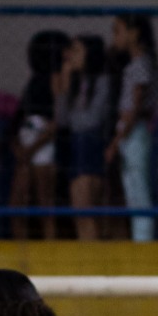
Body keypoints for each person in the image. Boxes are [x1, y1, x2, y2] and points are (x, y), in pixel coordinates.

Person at [7, 30, 68, 241]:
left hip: (43, 142)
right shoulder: (34, 81)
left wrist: (32, 148)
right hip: (27, 140)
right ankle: (21, 251)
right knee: (17, 204)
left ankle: (50, 255)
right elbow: (19, 117)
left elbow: (58, 119)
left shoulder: (57, 77)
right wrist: (19, 147)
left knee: (45, 205)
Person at [57, 34, 114, 241]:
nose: (71, 55)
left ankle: (95, 259)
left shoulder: (102, 81)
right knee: (78, 211)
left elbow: (93, 120)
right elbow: (62, 120)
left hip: (91, 145)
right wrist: (64, 85)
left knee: (87, 209)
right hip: (76, 146)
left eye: (77, 50)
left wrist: (74, 119)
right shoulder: (76, 84)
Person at [109, 15, 158, 241]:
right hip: (130, 132)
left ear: (134, 33)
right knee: (131, 190)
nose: (114, 37)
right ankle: (139, 238)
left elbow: (135, 108)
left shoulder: (141, 64)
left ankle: (144, 242)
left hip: (134, 132)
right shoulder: (134, 65)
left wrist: (116, 140)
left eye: (118, 30)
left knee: (139, 191)